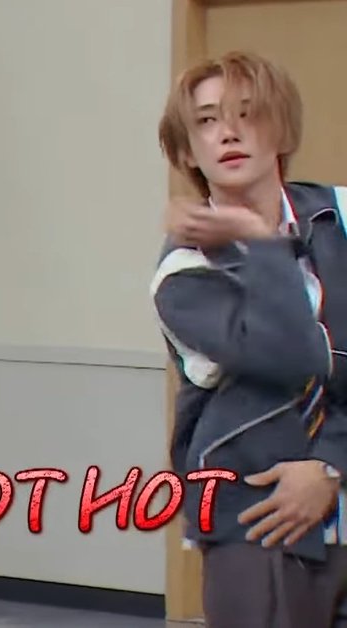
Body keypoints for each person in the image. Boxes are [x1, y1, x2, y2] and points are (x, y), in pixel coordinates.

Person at [153, 50, 347, 627]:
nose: (229, 132)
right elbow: (293, 357)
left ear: (281, 129)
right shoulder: (184, 273)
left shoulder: (338, 215)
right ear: (187, 151)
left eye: (247, 112)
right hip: (256, 513)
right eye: (207, 120)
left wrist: (331, 465)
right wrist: (261, 243)